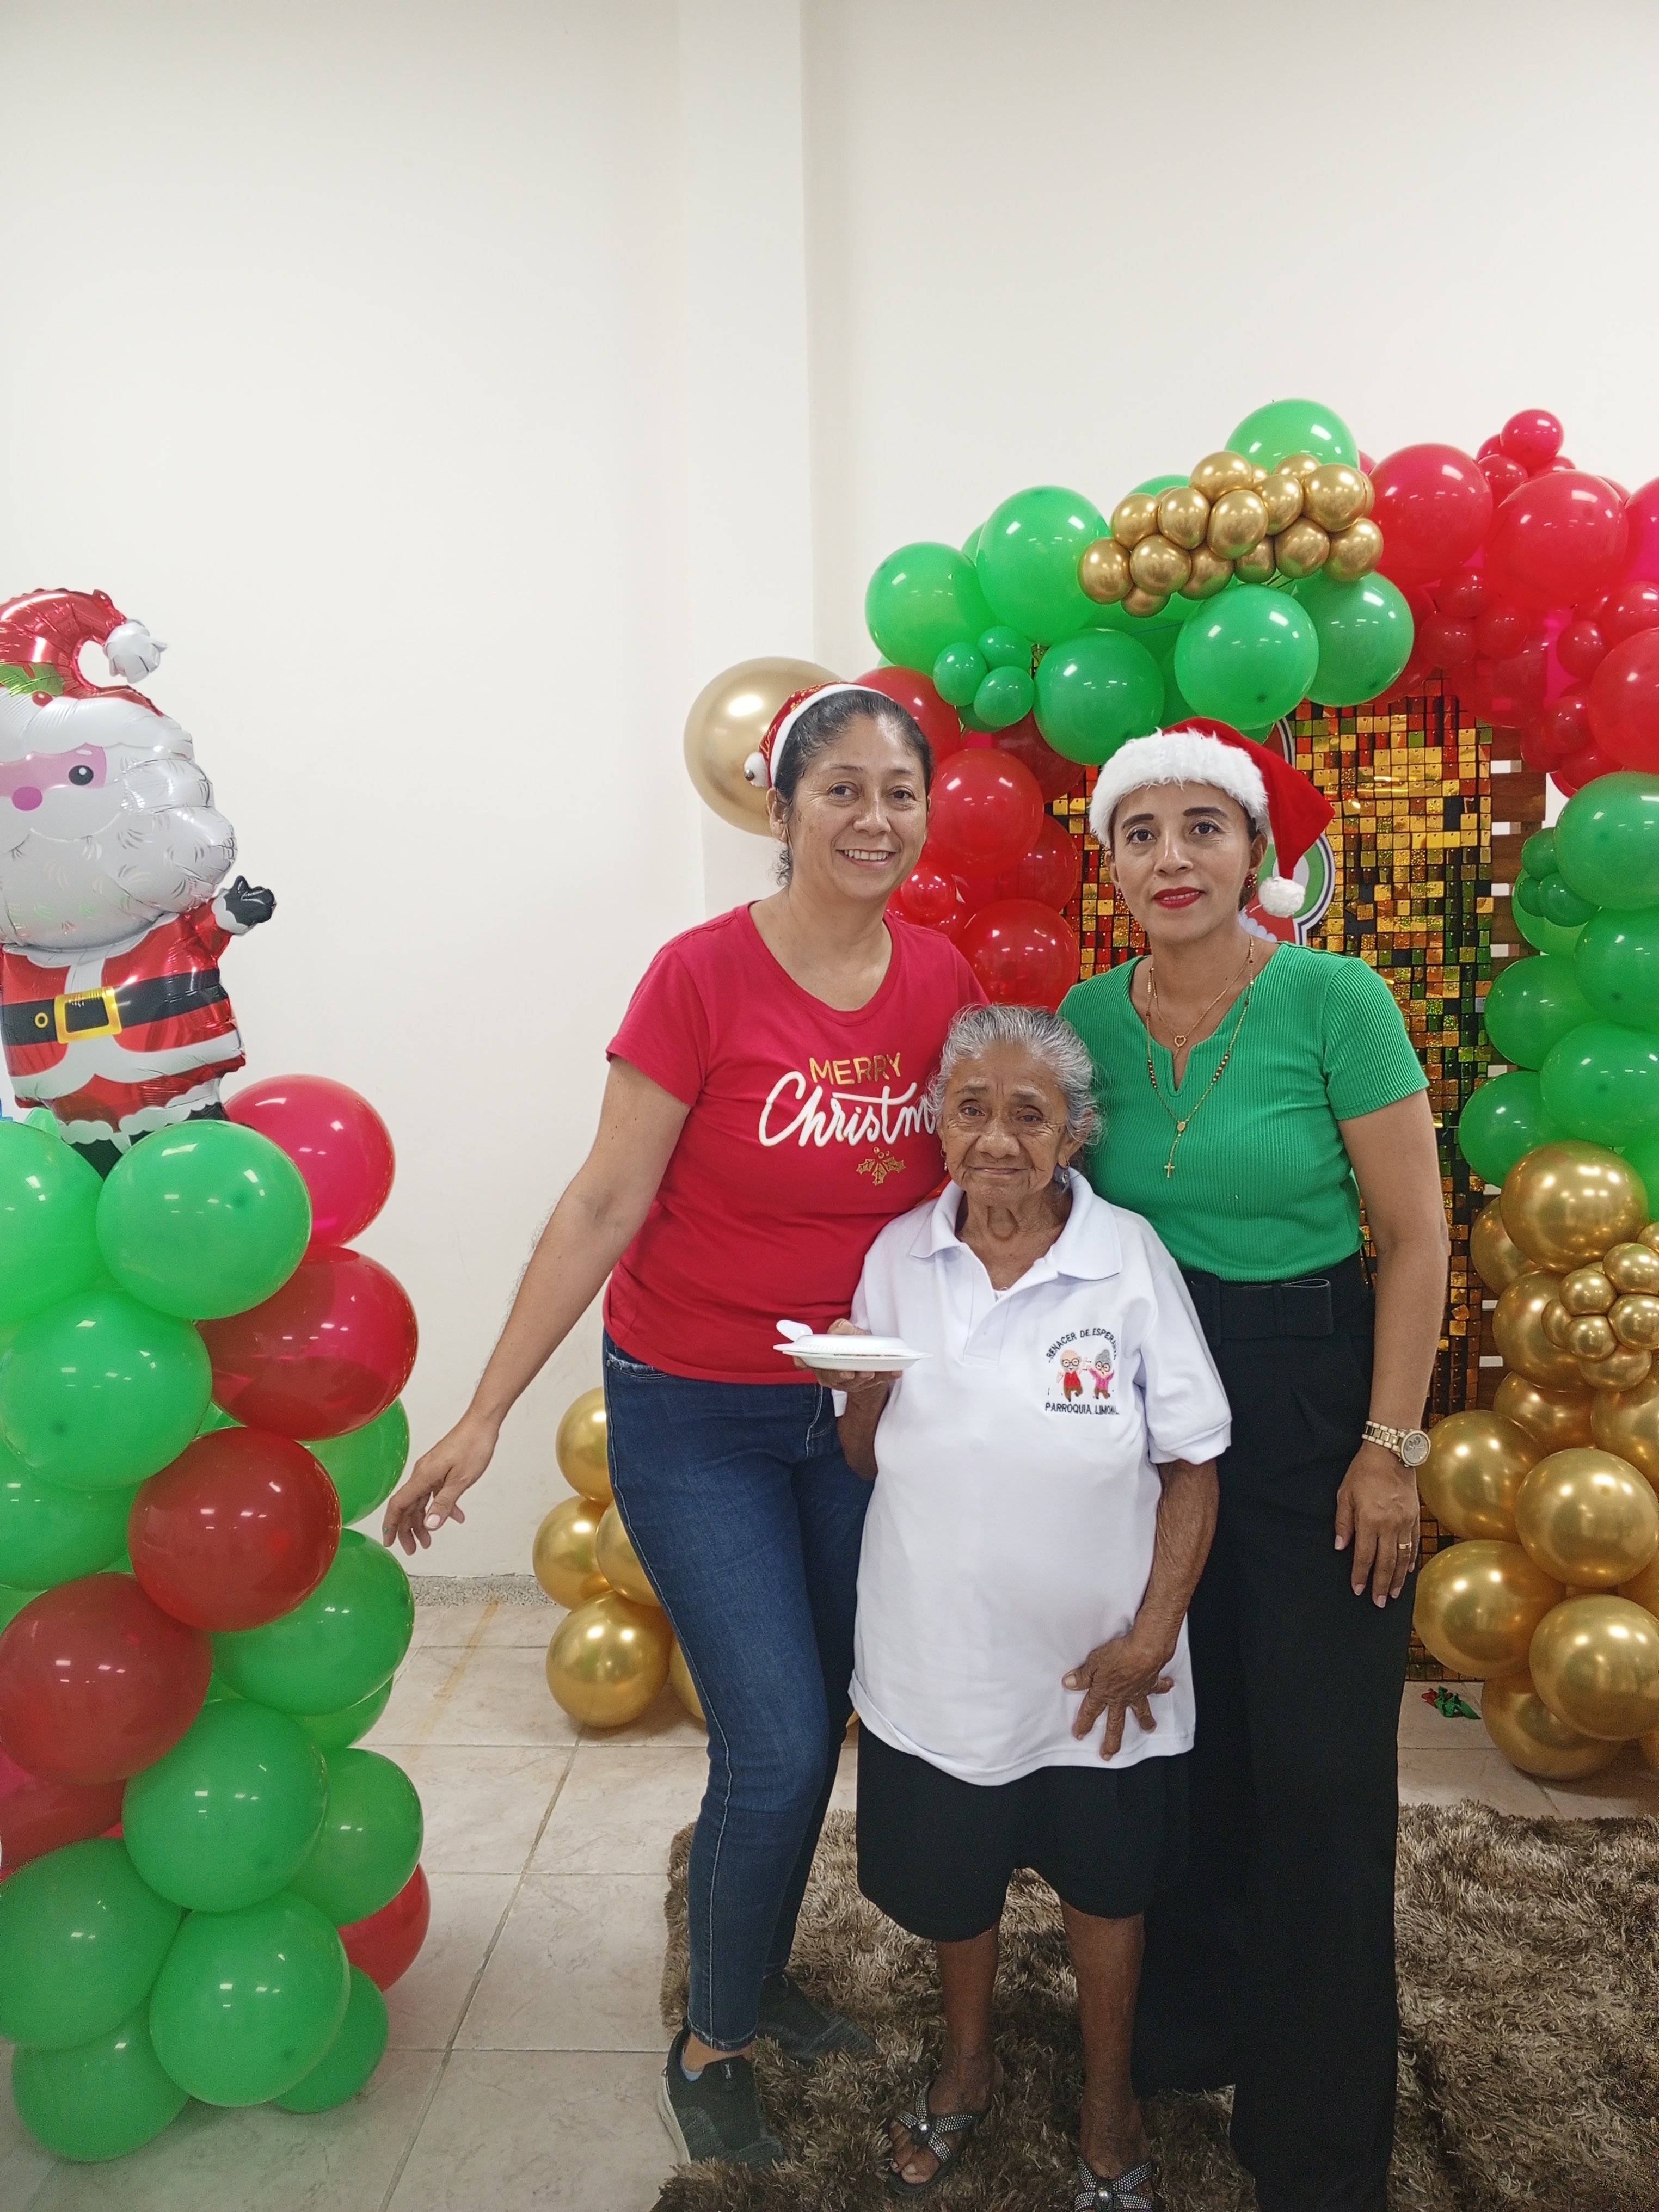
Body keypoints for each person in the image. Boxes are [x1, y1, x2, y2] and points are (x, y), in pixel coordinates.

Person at [381, 681, 983, 2170]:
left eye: (899, 792)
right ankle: (712, 2038)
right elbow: (604, 1201)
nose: (874, 819)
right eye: (840, 790)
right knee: (772, 1740)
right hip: (696, 1408)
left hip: (855, 1414)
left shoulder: (941, 979)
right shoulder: (700, 976)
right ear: (781, 810)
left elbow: (968, 1190)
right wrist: (484, 1411)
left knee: (821, 1717)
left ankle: (758, 1975)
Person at [1059, 722, 1450, 2212]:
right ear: (1112, 865)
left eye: (1203, 827)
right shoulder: (1083, 1019)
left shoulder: (1337, 999)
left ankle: (1320, 2144)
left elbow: (1415, 1237)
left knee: (1322, 1772)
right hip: (1147, 1412)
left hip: (1310, 1399)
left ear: (1255, 854)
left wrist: (1389, 1448)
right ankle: (1193, 2032)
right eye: (1141, 832)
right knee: (1189, 1749)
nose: (1173, 857)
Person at [835, 1001, 1228, 2209]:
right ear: (937, 1122)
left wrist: (1153, 1635)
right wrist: (856, 1392)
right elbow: (865, 1457)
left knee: (1107, 1890)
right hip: (937, 1658)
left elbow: (1193, 1462)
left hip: (1098, 1671)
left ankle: (1110, 2102)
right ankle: (970, 2065)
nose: (996, 1138)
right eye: (971, 1109)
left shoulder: (1128, 1257)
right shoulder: (900, 1254)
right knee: (953, 1888)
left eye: (1028, 1114)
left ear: (1073, 1134)